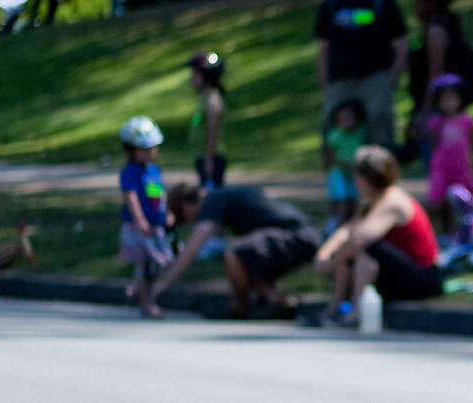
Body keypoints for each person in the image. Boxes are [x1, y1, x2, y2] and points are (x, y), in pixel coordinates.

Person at [313, 145, 443, 325]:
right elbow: (348, 230)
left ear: (364, 179)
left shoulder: (392, 201)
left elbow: (359, 240)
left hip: (424, 278)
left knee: (367, 250)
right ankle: (335, 307)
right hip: (400, 275)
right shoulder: (372, 200)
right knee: (350, 254)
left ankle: (355, 312)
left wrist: (330, 265)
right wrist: (324, 254)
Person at [152, 184, 321, 319]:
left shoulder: (212, 200)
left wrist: (163, 284)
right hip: (302, 236)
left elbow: (192, 248)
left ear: (187, 206)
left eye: (183, 217)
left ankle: (240, 305)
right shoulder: (223, 196)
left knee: (234, 255)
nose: (191, 222)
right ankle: (277, 299)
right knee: (244, 258)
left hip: (297, 236)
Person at [314, 0, 407, 156]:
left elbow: (400, 45)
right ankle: (336, 174)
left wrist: (390, 78)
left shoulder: (383, 5)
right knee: (329, 123)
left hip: (374, 78)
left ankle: (379, 172)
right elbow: (323, 48)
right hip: (340, 81)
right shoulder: (330, 5)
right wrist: (325, 82)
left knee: (379, 119)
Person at [402, 0, 473, 163]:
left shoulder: (436, 31)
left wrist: (424, 112)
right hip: (437, 105)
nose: (415, 8)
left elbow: (435, 74)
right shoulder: (437, 28)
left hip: (437, 108)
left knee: (439, 163)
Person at [117, 116, 174, 319]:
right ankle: (147, 303)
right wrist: (140, 220)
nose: (151, 152)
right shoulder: (130, 173)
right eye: (145, 148)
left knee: (154, 265)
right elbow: (131, 197)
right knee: (144, 265)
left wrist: (166, 214)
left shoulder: (154, 171)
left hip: (155, 225)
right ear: (132, 150)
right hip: (138, 227)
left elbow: (159, 195)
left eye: (153, 147)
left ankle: (139, 292)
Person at [425, 73, 473, 234]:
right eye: (444, 99)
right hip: (442, 168)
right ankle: (437, 234)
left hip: (461, 168)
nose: (449, 103)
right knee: (437, 203)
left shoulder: (468, 121)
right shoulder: (435, 123)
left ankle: (463, 235)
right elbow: (434, 146)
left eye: (453, 98)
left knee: (462, 205)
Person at [324, 98, 368, 233]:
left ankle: (352, 229)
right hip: (339, 174)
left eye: (349, 117)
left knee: (356, 202)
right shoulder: (335, 135)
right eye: (342, 117)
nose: (346, 120)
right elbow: (330, 157)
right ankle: (334, 230)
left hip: (356, 174)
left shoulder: (362, 131)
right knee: (341, 203)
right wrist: (347, 164)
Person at [186, 51, 228, 190]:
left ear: (206, 75)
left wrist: (209, 159)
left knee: (212, 197)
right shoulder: (205, 98)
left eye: (194, 74)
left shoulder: (212, 100)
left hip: (211, 158)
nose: (191, 79)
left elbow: (213, 129)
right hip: (205, 156)